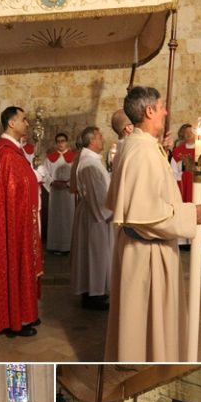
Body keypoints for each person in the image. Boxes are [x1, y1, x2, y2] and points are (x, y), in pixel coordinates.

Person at [105, 86, 201, 361]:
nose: (165, 111)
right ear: (149, 110)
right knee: (146, 326)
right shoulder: (142, 152)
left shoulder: (141, 146)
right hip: (147, 253)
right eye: (161, 106)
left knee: (148, 324)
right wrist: (190, 215)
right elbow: (146, 215)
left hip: (144, 249)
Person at [0, 106, 42, 338]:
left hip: (23, 221)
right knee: (15, 265)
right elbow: (7, 194)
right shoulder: (6, 154)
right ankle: (14, 319)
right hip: (14, 224)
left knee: (23, 266)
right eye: (24, 120)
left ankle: (24, 313)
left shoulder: (12, 151)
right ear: (12, 123)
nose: (27, 123)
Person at [71, 126, 113, 311]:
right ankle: (93, 293)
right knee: (95, 254)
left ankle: (94, 291)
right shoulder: (89, 164)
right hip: (96, 216)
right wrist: (111, 213)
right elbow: (97, 196)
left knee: (94, 254)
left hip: (94, 213)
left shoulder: (92, 161)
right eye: (99, 136)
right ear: (91, 141)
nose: (103, 138)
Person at [172, 124, 201, 249]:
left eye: (191, 132)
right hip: (183, 186)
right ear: (182, 135)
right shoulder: (177, 151)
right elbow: (173, 172)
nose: (188, 135)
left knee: (199, 207)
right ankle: (182, 242)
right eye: (186, 133)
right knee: (184, 210)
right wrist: (182, 172)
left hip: (200, 187)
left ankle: (199, 242)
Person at [39, 132, 75, 253]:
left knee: (68, 217)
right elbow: (44, 173)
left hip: (67, 192)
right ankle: (54, 245)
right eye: (58, 141)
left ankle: (68, 246)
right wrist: (53, 183)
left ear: (67, 142)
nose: (61, 143)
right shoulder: (50, 158)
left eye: (63, 141)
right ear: (56, 143)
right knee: (55, 218)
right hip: (55, 191)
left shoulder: (73, 157)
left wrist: (67, 184)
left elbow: (76, 173)